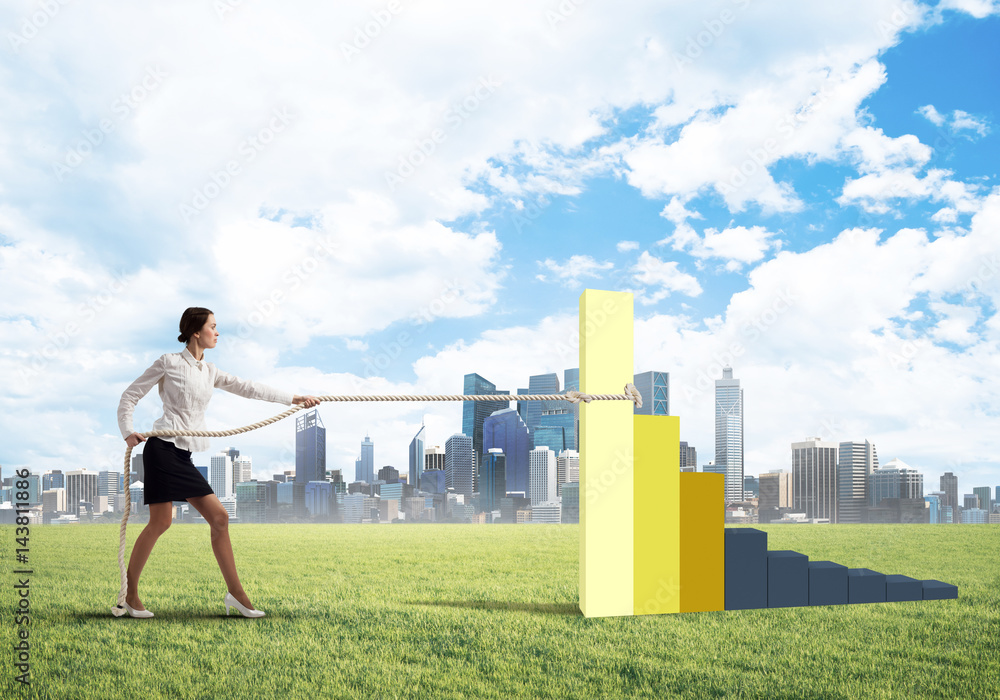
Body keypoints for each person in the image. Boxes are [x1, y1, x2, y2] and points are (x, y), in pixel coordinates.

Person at [116, 307, 320, 618]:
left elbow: (249, 388)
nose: (218, 332)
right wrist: (128, 431)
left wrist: (294, 398)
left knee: (220, 518)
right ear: (196, 331)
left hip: (183, 455)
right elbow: (129, 396)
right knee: (161, 522)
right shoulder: (168, 362)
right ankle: (130, 596)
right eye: (213, 326)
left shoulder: (210, 371)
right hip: (160, 450)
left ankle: (236, 595)